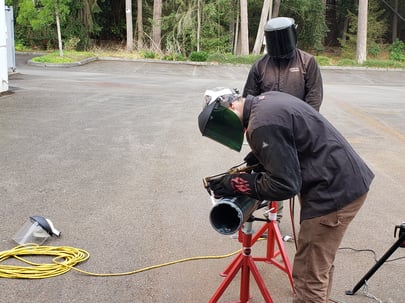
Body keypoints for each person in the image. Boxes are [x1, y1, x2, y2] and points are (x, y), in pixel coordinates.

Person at [198, 87, 374, 303]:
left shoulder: (261, 124)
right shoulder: (265, 103)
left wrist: (236, 182)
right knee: (317, 265)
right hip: (343, 180)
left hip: (333, 193)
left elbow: (284, 185)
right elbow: (288, 138)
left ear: (232, 106)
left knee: (309, 274)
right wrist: (260, 157)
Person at [242, 17, 324, 223]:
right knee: (272, 176)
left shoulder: (307, 63)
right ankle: (273, 219)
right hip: (271, 136)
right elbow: (248, 99)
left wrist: (302, 131)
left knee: (304, 178)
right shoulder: (260, 66)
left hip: (300, 134)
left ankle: (309, 222)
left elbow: (314, 99)